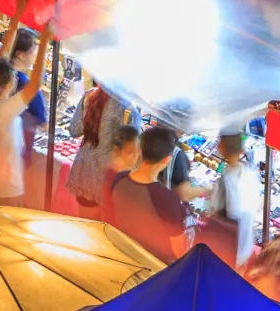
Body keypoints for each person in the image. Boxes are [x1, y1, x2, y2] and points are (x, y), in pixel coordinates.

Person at [0, 23, 54, 206]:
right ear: (6, 86)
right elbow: (35, 85)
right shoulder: (5, 111)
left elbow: (3, 54)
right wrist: (45, 41)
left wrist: (18, 14)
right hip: (7, 186)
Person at [109, 126, 192, 262]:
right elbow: (178, 251)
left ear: (140, 150)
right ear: (166, 160)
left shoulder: (119, 179)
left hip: (122, 252)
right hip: (150, 266)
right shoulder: (168, 200)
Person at [63, 77, 132, 217]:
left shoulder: (90, 97)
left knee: (85, 230)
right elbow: (131, 152)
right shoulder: (129, 110)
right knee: (105, 233)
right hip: (110, 179)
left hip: (85, 172)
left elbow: (74, 130)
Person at [200, 132, 261, 265]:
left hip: (225, 247)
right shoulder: (251, 174)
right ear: (242, 151)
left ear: (220, 148)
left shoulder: (225, 180)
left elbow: (215, 210)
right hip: (244, 245)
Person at [98, 124, 141, 225]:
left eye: (138, 150)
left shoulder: (113, 169)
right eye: (131, 152)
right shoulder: (122, 178)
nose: (136, 156)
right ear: (117, 149)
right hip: (119, 228)